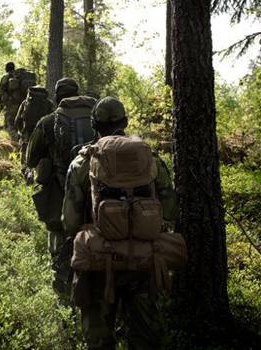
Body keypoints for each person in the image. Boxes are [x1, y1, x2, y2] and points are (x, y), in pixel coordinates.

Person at [61, 96, 179, 350]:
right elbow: (169, 209)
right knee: (145, 336)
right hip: (143, 258)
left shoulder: (82, 163)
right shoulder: (150, 159)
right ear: (125, 122)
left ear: (94, 125)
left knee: (99, 340)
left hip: (98, 261)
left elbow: (69, 220)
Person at [25, 77, 97, 304]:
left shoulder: (47, 122)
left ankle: (64, 301)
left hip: (61, 197)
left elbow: (31, 158)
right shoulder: (99, 118)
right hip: (98, 196)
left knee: (60, 250)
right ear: (78, 93)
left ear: (57, 98)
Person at [14, 85, 55, 183]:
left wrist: (22, 132)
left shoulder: (25, 103)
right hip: (43, 134)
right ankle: (38, 177)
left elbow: (17, 121)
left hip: (27, 134)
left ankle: (27, 174)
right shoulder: (49, 104)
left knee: (26, 156)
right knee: (41, 156)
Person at [0, 61, 22, 142]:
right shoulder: (20, 76)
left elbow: (1, 91)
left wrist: (2, 103)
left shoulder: (6, 77)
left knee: (9, 125)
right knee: (21, 125)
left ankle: (17, 140)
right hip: (24, 104)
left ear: (6, 69)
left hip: (12, 105)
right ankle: (22, 141)